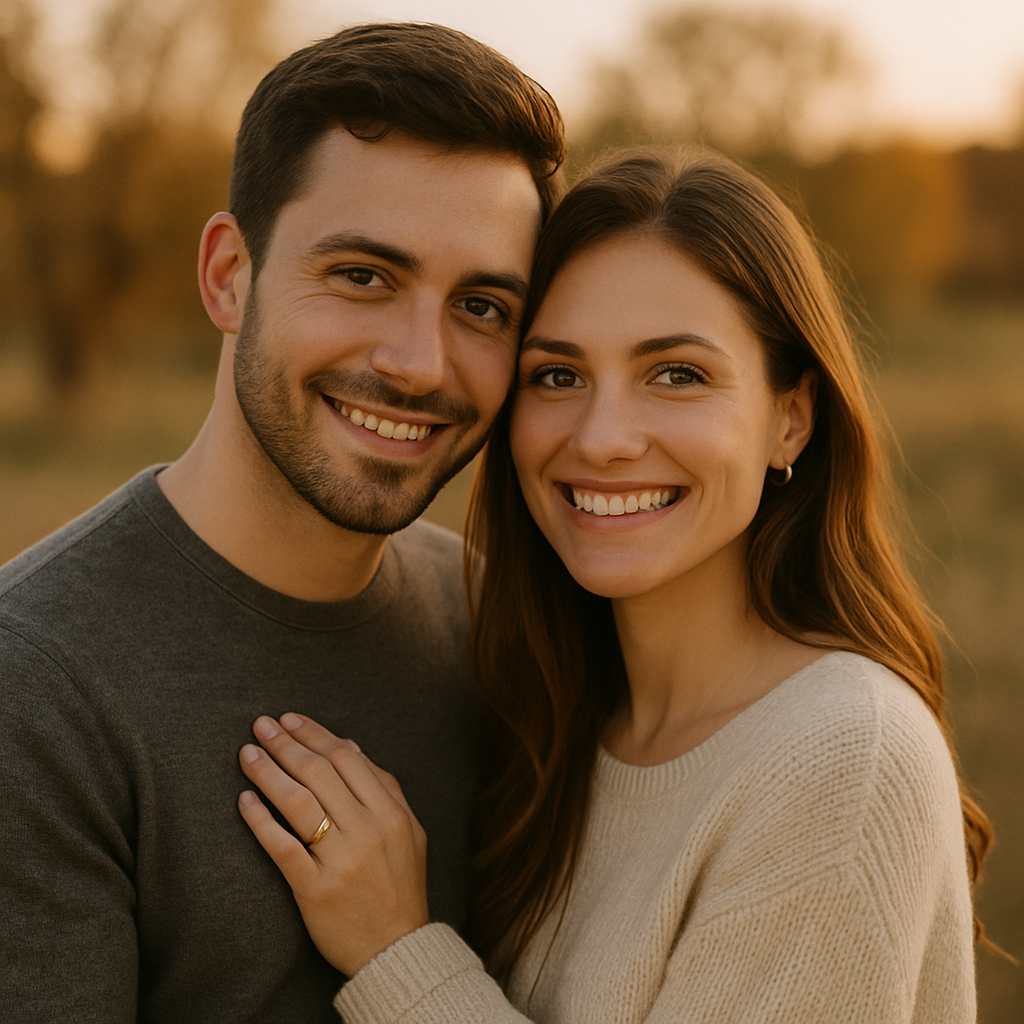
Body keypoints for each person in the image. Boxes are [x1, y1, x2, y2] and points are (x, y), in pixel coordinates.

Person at [238, 149, 989, 1023]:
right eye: (558, 375)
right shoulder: (562, 716)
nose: (601, 438)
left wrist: (397, 955)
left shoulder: (841, 758)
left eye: (676, 374)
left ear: (792, 417)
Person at [0, 22, 563, 1023]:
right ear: (227, 274)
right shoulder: (34, 685)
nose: (419, 364)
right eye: (362, 276)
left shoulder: (492, 619)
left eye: (480, 306)